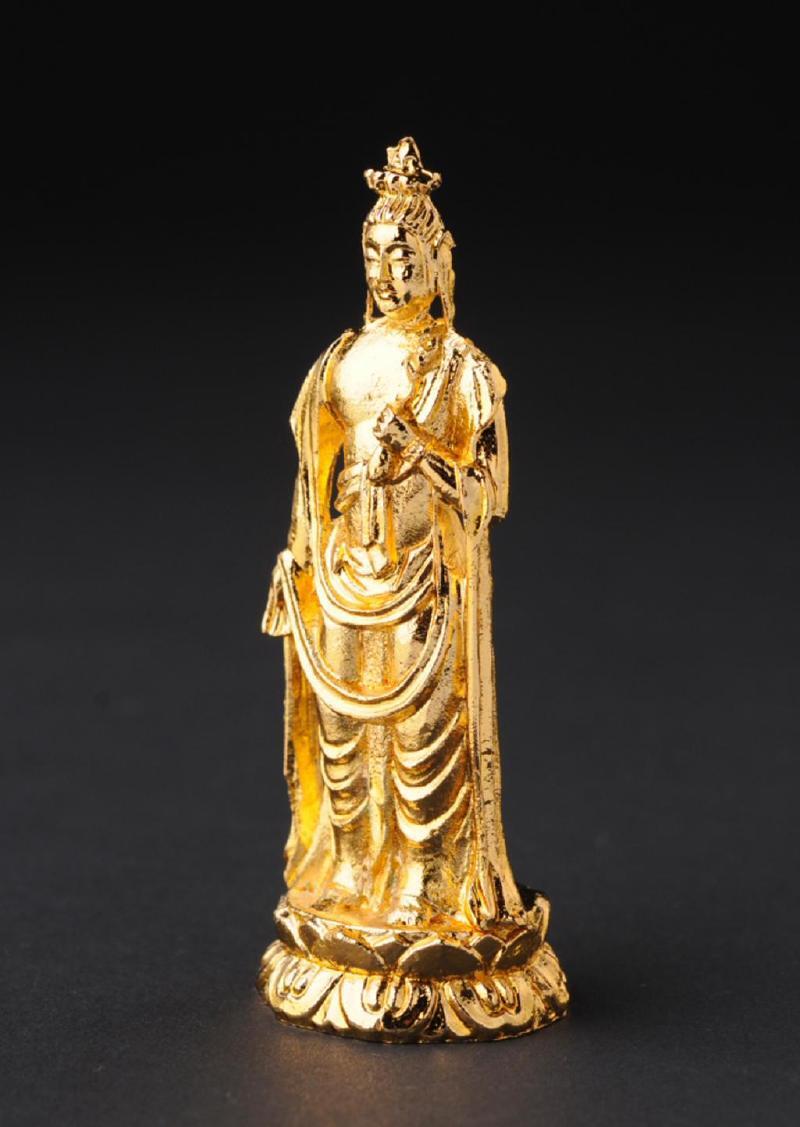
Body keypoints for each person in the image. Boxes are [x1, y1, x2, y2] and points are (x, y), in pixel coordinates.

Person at [259, 138, 567, 1041]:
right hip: (344, 576)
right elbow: (311, 479)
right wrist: (296, 557)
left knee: (424, 754)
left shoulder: (462, 369)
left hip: (427, 585)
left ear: (439, 259)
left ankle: (426, 898)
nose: (389, 272)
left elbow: (490, 491)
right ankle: (353, 883)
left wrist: (424, 454)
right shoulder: (339, 362)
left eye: (406, 255)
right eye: (375, 254)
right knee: (348, 749)